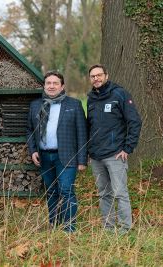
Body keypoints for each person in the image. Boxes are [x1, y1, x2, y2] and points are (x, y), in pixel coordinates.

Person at [27, 71, 87, 232]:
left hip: (67, 156)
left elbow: (82, 133)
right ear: (44, 86)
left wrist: (82, 160)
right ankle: (54, 224)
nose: (51, 86)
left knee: (66, 190)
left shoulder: (74, 104)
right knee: (51, 191)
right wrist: (33, 151)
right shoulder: (35, 105)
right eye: (48, 83)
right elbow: (30, 130)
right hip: (44, 157)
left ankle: (69, 228)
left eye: (55, 83)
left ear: (62, 86)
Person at [87, 64, 142, 233]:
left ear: (106, 75)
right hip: (96, 156)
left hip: (116, 154)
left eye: (99, 75)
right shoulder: (91, 98)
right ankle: (108, 228)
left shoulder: (120, 94)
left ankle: (125, 229)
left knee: (120, 193)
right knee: (104, 193)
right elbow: (90, 126)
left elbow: (135, 121)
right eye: (93, 76)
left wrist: (127, 148)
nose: (96, 78)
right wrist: (89, 151)